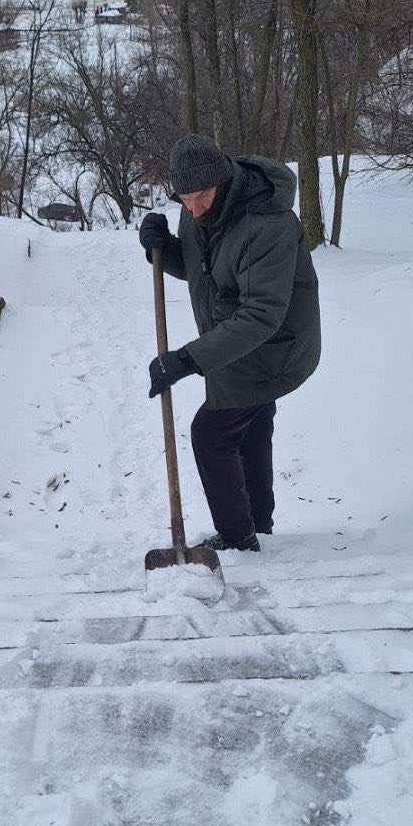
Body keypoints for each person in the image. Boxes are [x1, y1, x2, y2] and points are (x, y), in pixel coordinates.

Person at [139, 134, 321, 553]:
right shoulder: (200, 209)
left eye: (202, 196)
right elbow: (209, 271)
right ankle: (257, 525)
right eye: (184, 199)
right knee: (251, 426)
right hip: (239, 339)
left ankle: (239, 539)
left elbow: (260, 315)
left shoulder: (266, 223)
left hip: (274, 346)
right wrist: (162, 250)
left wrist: (187, 360)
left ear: (222, 178)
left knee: (212, 433)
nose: (194, 208)